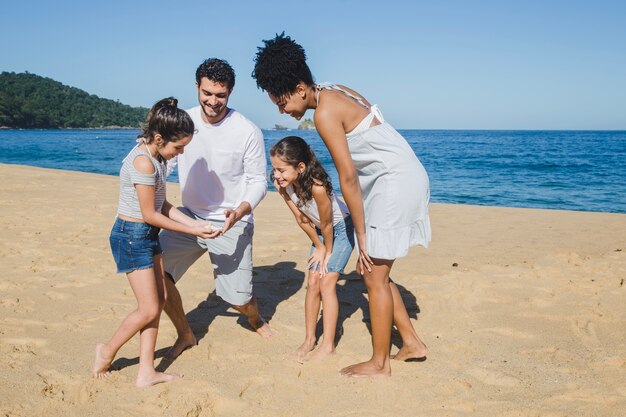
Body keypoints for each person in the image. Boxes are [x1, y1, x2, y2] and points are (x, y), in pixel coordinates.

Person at [253, 33, 431, 377]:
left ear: (301, 88)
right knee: (373, 270)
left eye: (281, 101)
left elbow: (347, 176)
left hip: (394, 181)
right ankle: (411, 343)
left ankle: (379, 365)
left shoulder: (323, 113)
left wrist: (361, 234)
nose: (280, 109)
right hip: (399, 173)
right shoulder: (335, 90)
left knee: (372, 276)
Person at [93, 98, 215, 387]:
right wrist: (192, 231)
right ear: (159, 138)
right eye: (178, 147)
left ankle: (146, 371)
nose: (180, 152)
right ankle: (106, 350)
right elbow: (149, 214)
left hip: (146, 235)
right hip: (131, 236)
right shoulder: (143, 163)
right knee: (148, 308)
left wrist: (194, 224)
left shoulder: (158, 158)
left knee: (158, 301)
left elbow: (162, 205)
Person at [160, 58, 276, 361]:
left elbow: (258, 182)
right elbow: (164, 161)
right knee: (155, 273)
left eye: (220, 95)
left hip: (230, 221)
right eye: (207, 93)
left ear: (231, 92)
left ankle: (256, 318)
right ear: (197, 87)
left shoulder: (247, 131)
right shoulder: (183, 121)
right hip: (188, 217)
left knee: (238, 299)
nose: (213, 101)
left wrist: (241, 210)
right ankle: (186, 333)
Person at [270, 136, 354, 363]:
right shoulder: (284, 185)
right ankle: (309, 339)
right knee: (312, 282)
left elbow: (328, 224)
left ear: (301, 167)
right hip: (318, 232)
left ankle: (327, 345)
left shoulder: (318, 187)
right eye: (274, 169)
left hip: (339, 230)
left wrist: (326, 251)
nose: (276, 175)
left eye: (281, 170)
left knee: (326, 282)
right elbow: (301, 218)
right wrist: (317, 246)